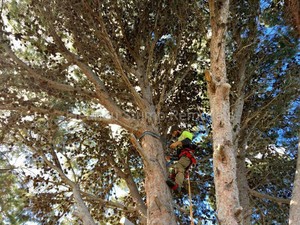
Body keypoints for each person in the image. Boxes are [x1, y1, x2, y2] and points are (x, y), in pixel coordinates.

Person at [166, 126, 198, 193]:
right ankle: (173, 181)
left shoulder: (185, 133)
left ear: (177, 130)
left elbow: (188, 140)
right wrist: (170, 158)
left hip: (187, 156)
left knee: (179, 168)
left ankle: (178, 186)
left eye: (173, 132)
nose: (173, 135)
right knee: (174, 169)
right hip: (183, 157)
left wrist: (177, 143)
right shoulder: (178, 142)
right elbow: (178, 157)